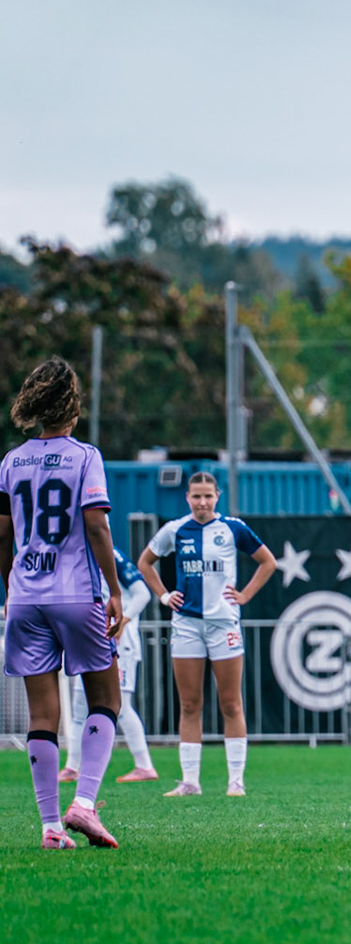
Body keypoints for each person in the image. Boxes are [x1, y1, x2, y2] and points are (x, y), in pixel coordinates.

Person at [0, 357, 125, 849]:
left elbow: (2, 532)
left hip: (25, 596)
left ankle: (51, 827)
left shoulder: (11, 461)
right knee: (106, 699)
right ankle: (85, 804)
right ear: (72, 406)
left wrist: (9, 589)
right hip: (75, 593)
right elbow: (96, 524)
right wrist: (114, 590)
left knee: (42, 716)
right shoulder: (84, 456)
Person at [138, 471, 276, 797]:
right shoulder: (174, 529)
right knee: (189, 704)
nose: (202, 502)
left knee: (231, 703)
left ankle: (236, 781)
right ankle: (190, 782)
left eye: (208, 496)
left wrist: (244, 595)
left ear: (218, 497)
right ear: (187, 497)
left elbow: (267, 562)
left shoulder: (232, 528)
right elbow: (145, 563)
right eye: (196, 496)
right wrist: (163, 595)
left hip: (223, 624)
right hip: (186, 624)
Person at [59, 546, 160, 784]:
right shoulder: (73, 554)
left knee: (121, 704)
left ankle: (144, 765)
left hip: (119, 643)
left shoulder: (110, 554)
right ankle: (72, 766)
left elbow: (142, 593)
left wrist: (122, 622)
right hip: (88, 640)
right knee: (80, 706)